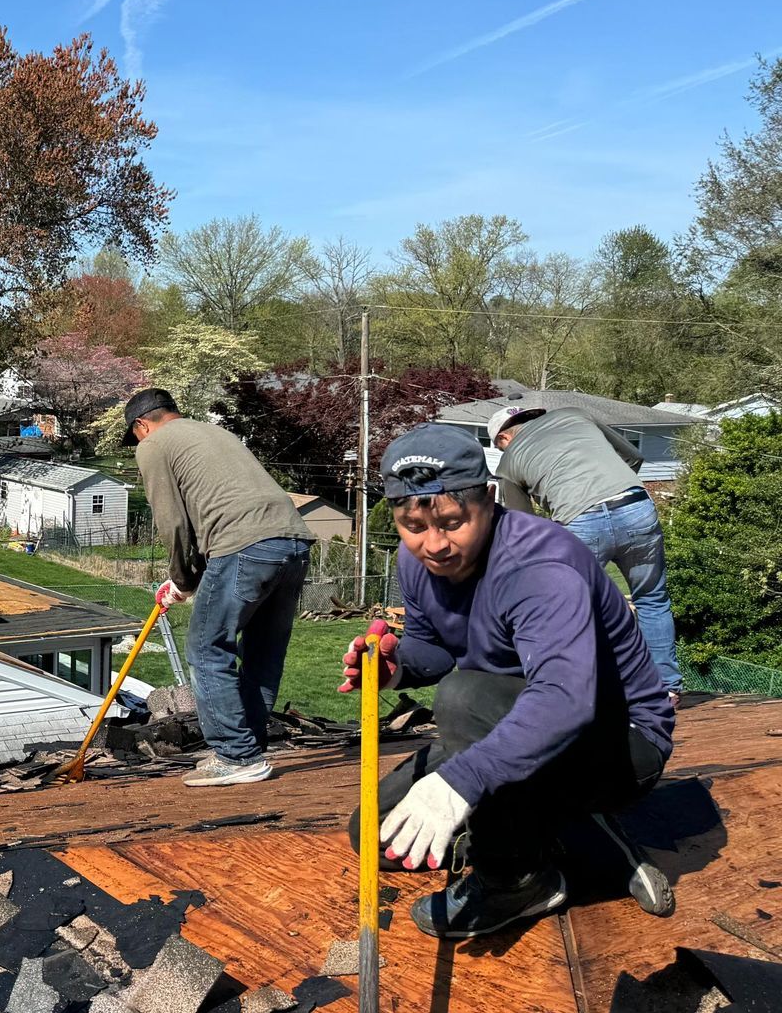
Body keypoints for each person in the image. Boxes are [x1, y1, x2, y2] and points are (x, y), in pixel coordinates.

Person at [343, 423, 676, 939]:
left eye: (453, 522)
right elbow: (435, 648)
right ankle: (568, 830)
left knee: (463, 697)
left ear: (489, 500)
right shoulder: (419, 563)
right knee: (375, 839)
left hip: (618, 741)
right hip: (505, 721)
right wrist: (396, 666)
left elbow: (564, 700)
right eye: (413, 526)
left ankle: (519, 881)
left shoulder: (542, 563)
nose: (435, 545)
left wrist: (462, 781)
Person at [126, 388, 314, 787]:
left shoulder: (154, 445)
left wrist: (182, 581)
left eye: (136, 435)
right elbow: (219, 507)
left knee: (207, 647)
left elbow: (172, 523)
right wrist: (192, 577)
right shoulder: (216, 434)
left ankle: (236, 755)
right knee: (263, 653)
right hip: (294, 542)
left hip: (244, 546)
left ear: (143, 425)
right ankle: (250, 750)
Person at [488, 403, 683, 702]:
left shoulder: (509, 461)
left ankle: (581, 691)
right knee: (652, 599)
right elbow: (634, 455)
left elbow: (523, 523)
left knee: (573, 608)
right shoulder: (574, 414)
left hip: (580, 521)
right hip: (635, 507)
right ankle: (666, 688)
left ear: (503, 439)